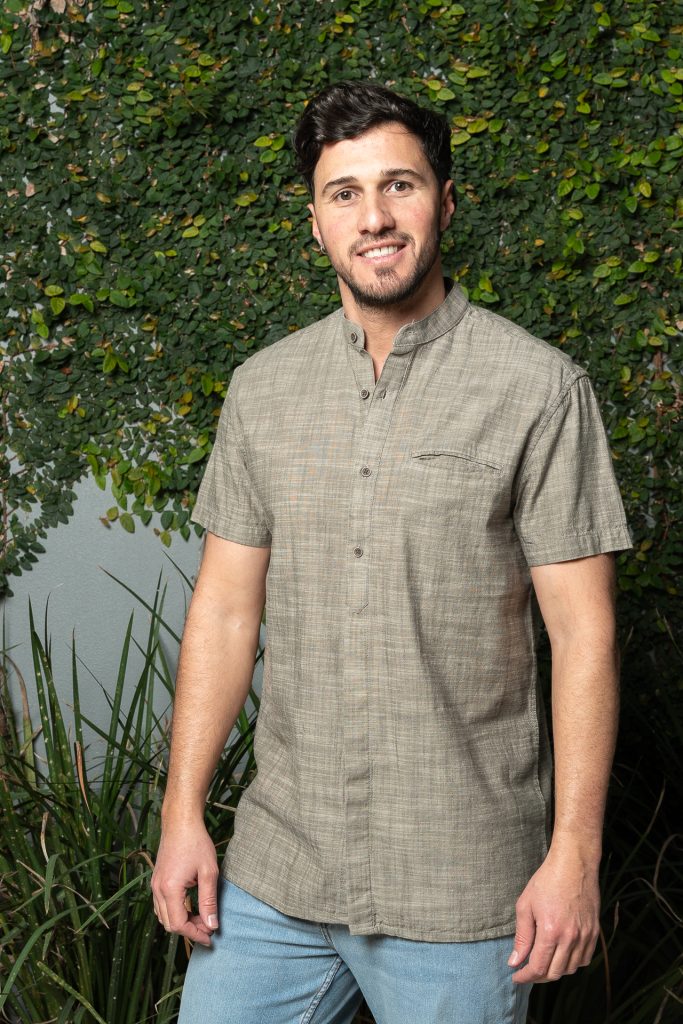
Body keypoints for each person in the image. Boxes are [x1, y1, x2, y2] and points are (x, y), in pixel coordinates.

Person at [152, 81, 633, 1024]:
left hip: (458, 886)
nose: (373, 217)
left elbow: (585, 636)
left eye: (398, 186)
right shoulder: (262, 389)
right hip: (279, 871)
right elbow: (224, 611)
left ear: (444, 203)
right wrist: (182, 814)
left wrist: (573, 854)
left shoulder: (538, 389)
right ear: (315, 223)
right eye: (345, 193)